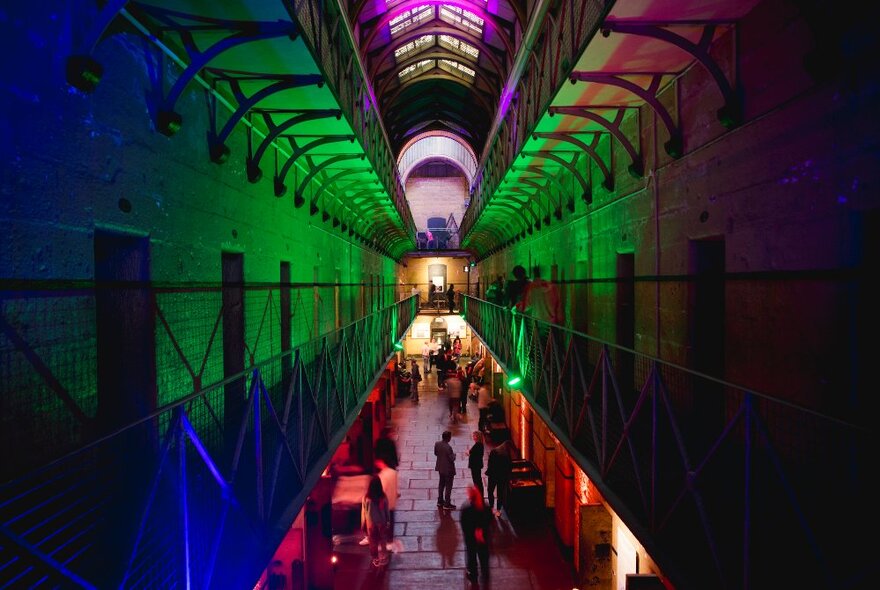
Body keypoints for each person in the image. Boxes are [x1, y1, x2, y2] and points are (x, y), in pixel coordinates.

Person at [460, 485, 492, 586]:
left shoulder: (466, 509)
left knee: (471, 556)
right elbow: (489, 520)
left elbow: (464, 524)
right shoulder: (485, 507)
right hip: (483, 537)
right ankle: (485, 575)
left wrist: (471, 533)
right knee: (484, 556)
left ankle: (473, 575)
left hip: (471, 538)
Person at [361, 474, 391, 568]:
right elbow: (386, 510)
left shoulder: (366, 498)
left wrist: (363, 524)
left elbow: (364, 512)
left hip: (371, 524)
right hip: (382, 522)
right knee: (382, 541)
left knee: (373, 542)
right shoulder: (383, 496)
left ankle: (375, 558)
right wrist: (388, 520)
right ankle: (384, 557)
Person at [486, 438, 514, 517]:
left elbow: (490, 463)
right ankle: (498, 510)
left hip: (493, 475)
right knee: (500, 493)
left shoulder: (494, 451)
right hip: (501, 477)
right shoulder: (507, 455)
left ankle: (491, 507)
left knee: (490, 491)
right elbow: (509, 467)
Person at [434, 430, 456, 509]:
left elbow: (436, 453)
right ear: (448, 438)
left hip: (440, 468)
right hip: (448, 470)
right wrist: (454, 455)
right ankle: (447, 503)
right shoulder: (448, 447)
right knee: (448, 486)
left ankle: (440, 501)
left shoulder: (437, 444)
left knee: (441, 484)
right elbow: (452, 459)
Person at [466, 431, 485, 496]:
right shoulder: (480, 444)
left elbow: (472, 454)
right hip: (477, 465)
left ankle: (479, 495)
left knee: (477, 481)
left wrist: (468, 453)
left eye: (474, 436)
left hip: (475, 466)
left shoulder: (477, 445)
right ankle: (479, 494)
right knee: (478, 480)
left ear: (477, 437)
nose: (473, 437)